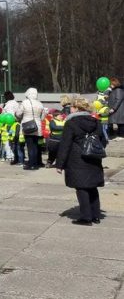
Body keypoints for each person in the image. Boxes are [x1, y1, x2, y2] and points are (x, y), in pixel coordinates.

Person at [55, 96, 107, 225]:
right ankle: (95, 215)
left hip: (77, 159)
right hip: (93, 158)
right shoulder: (96, 121)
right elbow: (103, 141)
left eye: (72, 106)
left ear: (77, 108)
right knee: (92, 186)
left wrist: (59, 164)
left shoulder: (71, 123)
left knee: (81, 187)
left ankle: (85, 217)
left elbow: (65, 144)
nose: (70, 109)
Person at [17, 88, 46, 170]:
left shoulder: (25, 102)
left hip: (28, 125)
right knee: (36, 146)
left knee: (30, 146)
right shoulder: (40, 103)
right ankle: (36, 163)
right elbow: (43, 117)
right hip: (37, 126)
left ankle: (31, 164)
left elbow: (19, 114)